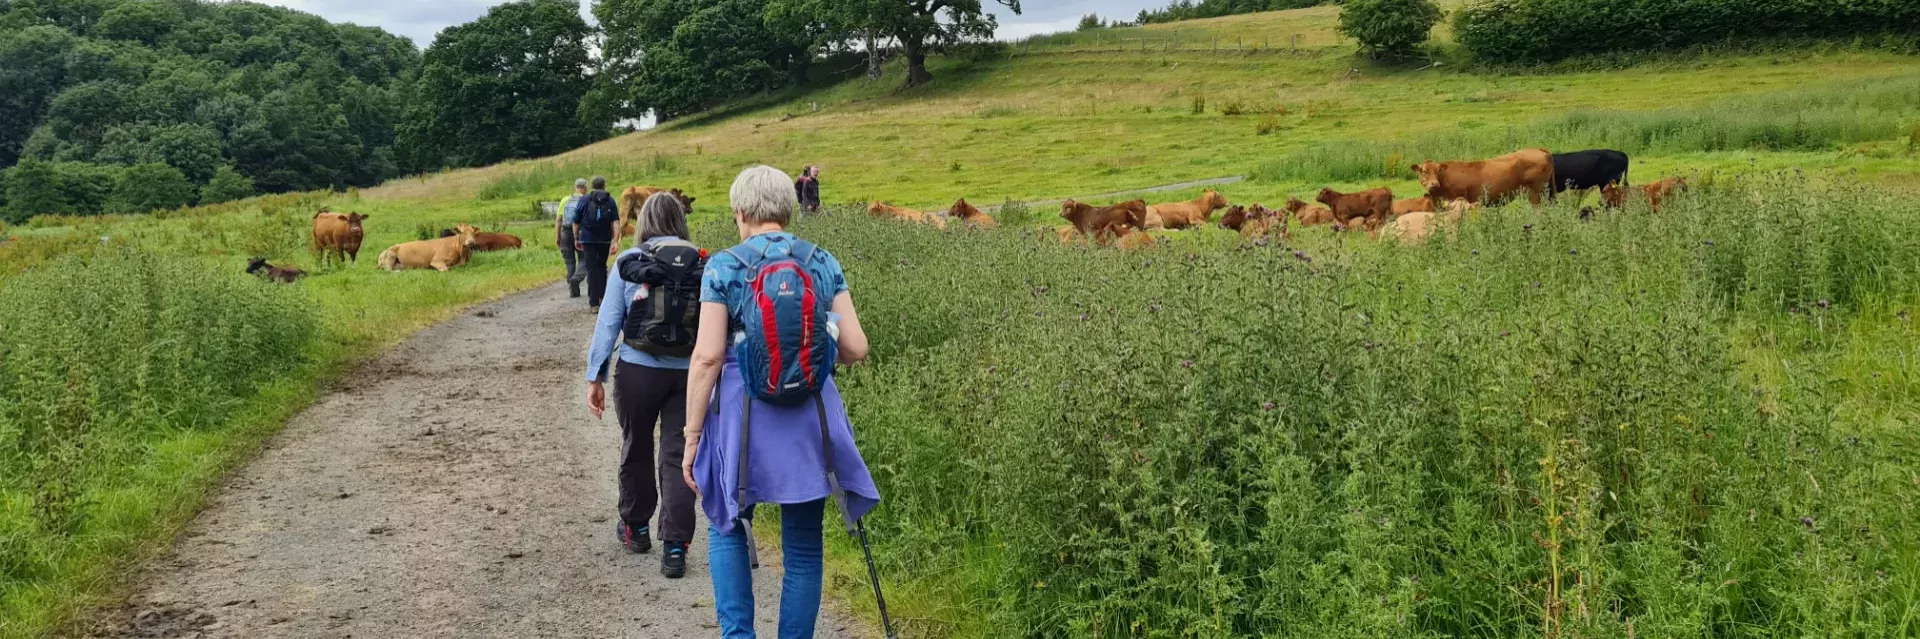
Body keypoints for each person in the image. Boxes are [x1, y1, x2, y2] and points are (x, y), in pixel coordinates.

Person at [683, 165, 880, 639]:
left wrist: (691, 437)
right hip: (810, 413)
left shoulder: (724, 265)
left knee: (726, 522)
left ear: (742, 212)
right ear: (789, 209)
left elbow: (709, 356)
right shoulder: (822, 260)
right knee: (805, 545)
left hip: (741, 413)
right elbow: (856, 348)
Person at [585, 192, 704, 578]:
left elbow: (609, 323)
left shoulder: (628, 262)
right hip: (689, 374)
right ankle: (675, 547)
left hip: (637, 370)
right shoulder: (704, 262)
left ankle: (635, 528)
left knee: (636, 443)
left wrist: (596, 376)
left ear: (646, 220)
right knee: (678, 454)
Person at [575, 176, 621, 309]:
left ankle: (593, 302)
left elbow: (576, 221)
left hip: (587, 239)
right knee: (602, 266)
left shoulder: (584, 199)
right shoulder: (610, 200)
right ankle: (603, 296)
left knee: (591, 268)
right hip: (604, 239)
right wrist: (615, 240)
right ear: (604, 186)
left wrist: (576, 238)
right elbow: (616, 222)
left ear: (591, 186)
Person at [558, 178, 590, 298]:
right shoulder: (586, 200)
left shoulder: (565, 200)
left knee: (570, 261)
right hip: (580, 231)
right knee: (584, 259)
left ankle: (573, 290)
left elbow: (558, 220)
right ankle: (576, 279)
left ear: (575, 186)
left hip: (565, 232)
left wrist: (558, 236)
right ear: (585, 188)